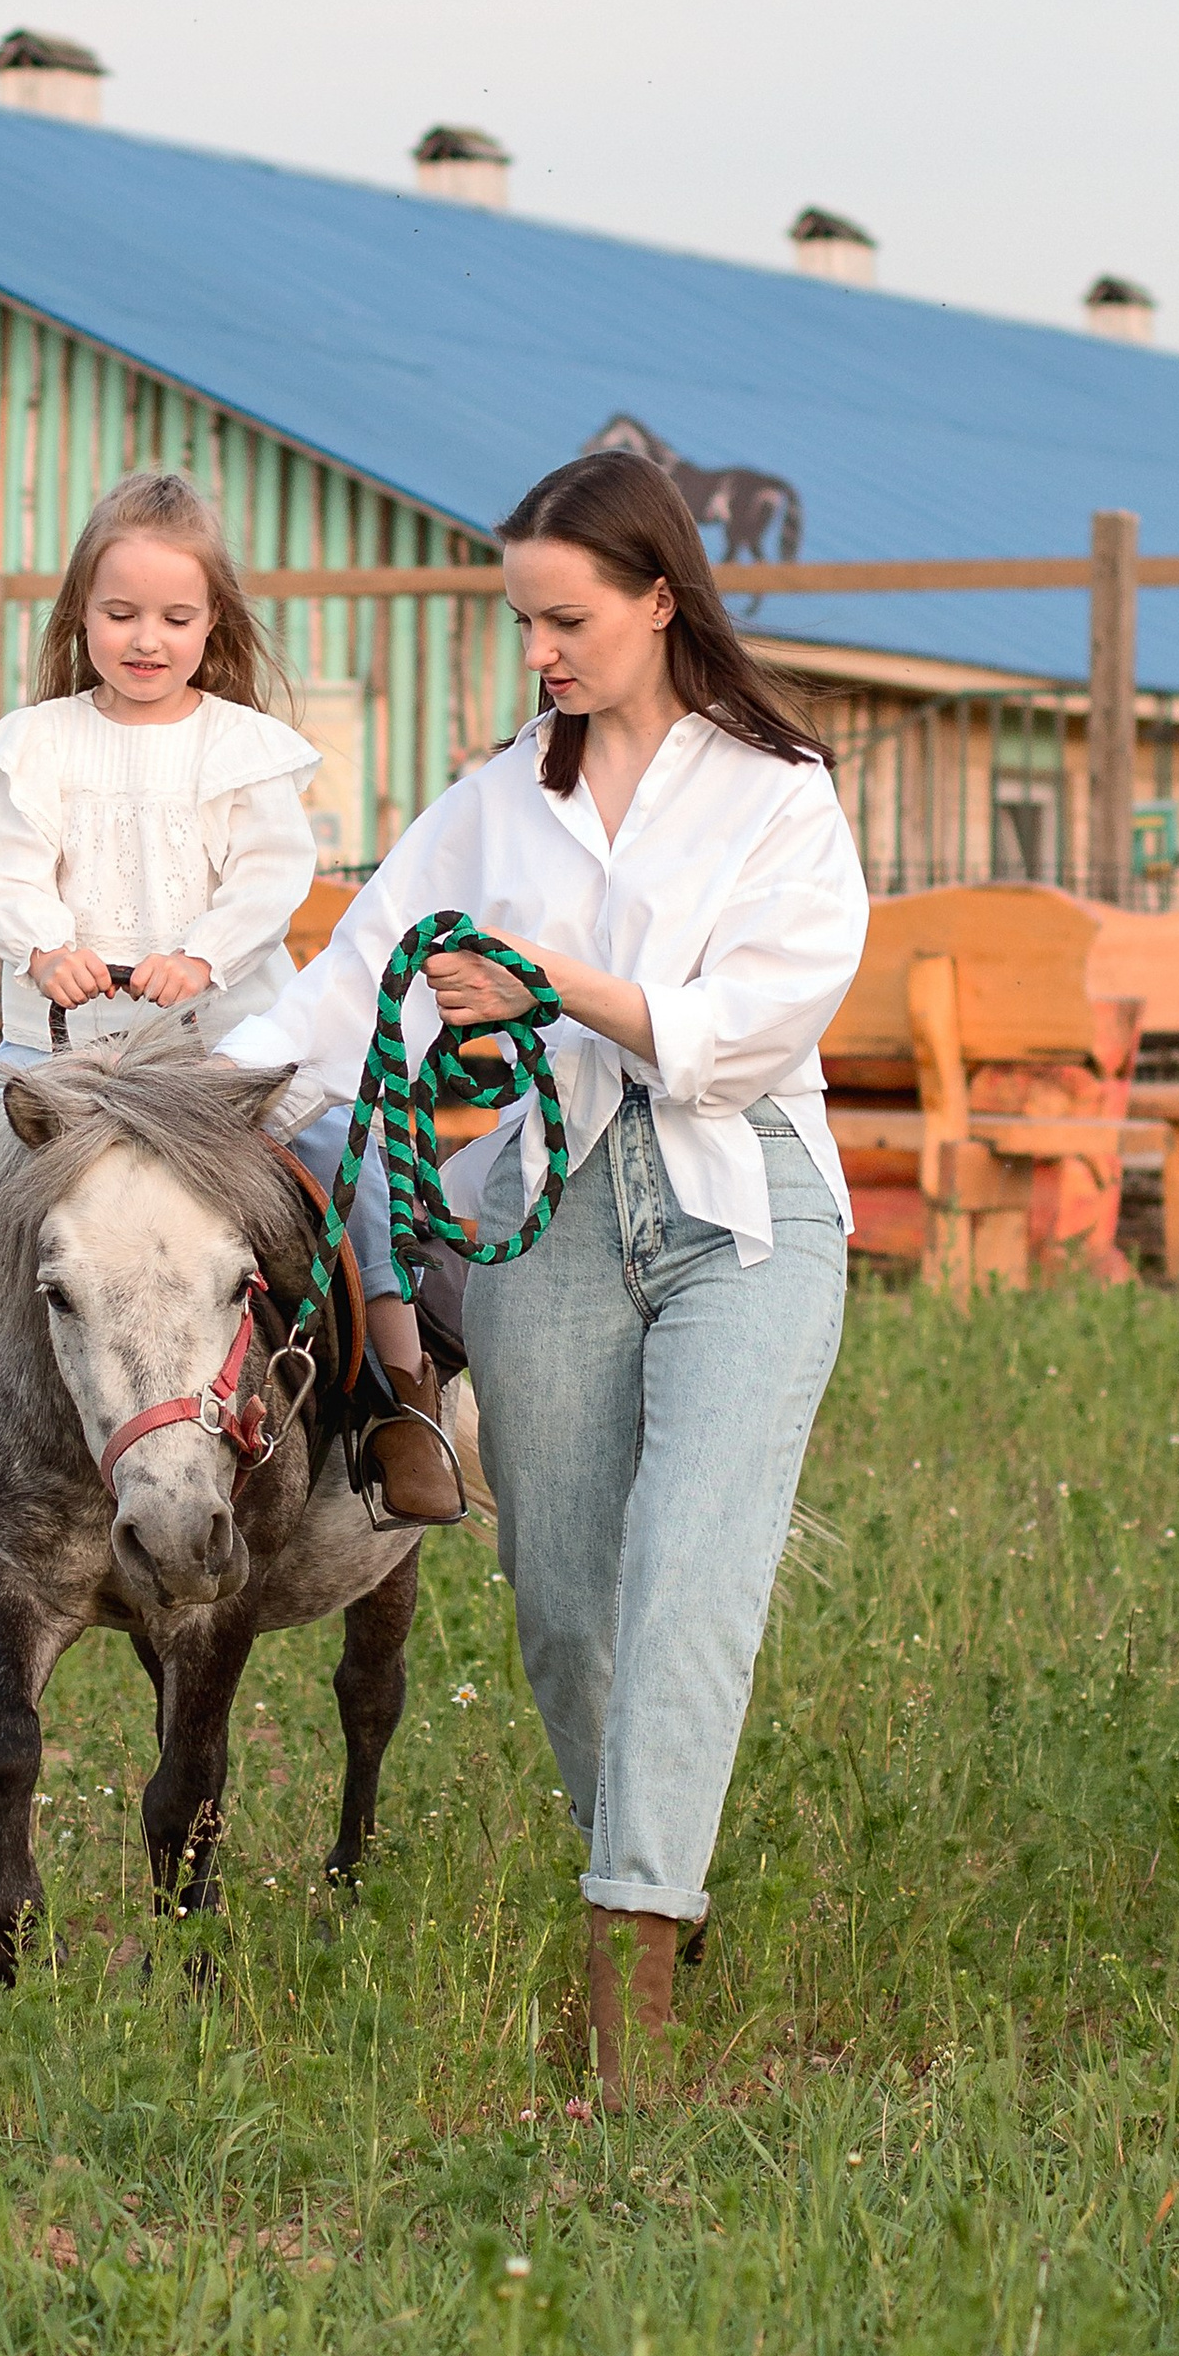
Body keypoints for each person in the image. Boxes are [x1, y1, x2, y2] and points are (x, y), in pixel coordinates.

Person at [220, 451, 869, 2099]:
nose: (542, 652)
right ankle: (653, 1862)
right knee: (565, 1609)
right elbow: (355, 978)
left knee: (689, 1570)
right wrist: (202, 1111)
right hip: (549, 1204)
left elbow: (757, 1028)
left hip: (743, 1207)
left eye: (568, 619)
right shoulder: (497, 798)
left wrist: (554, 986)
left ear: (660, 598)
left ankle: (629, 1963)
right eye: (525, 621)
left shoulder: (779, 793)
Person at [0, 466, 423, 1572]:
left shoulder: (242, 747)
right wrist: (45, 947)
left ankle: (393, 1406)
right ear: (81, 614)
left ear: (212, 622)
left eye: (175, 616)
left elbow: (271, 874)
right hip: (62, 1059)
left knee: (351, 1181)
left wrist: (203, 954)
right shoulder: (38, 743)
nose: (146, 639)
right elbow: (3, 872)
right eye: (120, 613)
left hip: (222, 1058)